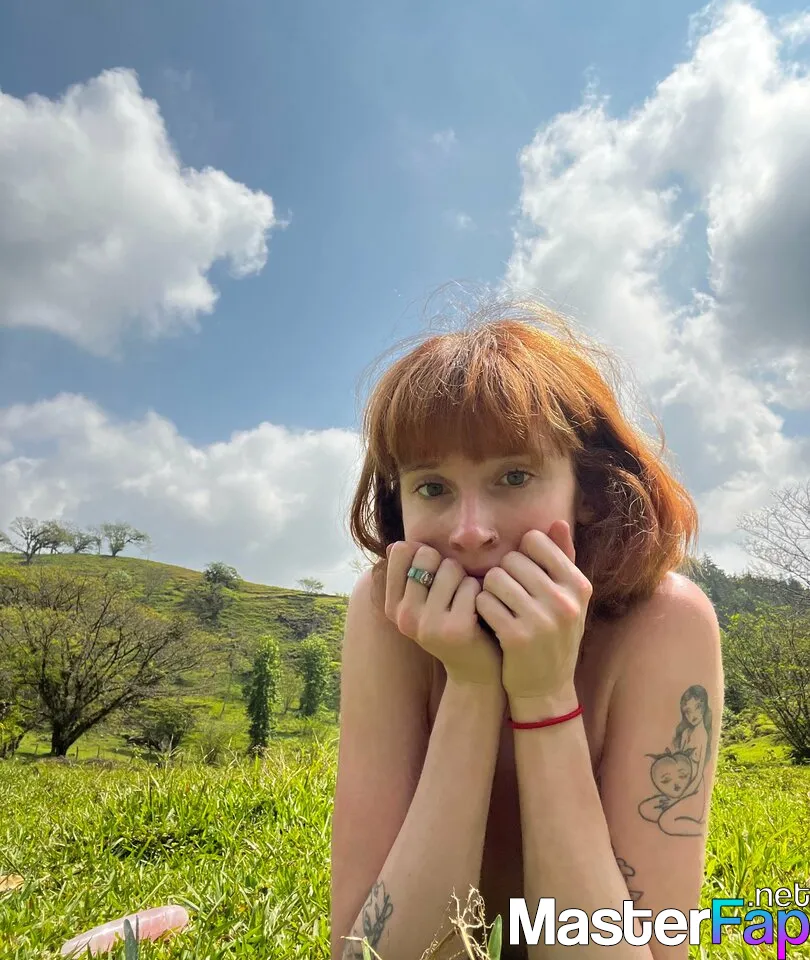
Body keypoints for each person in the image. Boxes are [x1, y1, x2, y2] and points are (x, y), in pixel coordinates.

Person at [330, 295, 723, 960]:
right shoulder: (385, 615)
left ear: (588, 493)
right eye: (433, 488)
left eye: (514, 477)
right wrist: (472, 685)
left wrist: (543, 696)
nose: (469, 531)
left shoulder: (666, 621)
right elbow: (364, 952)